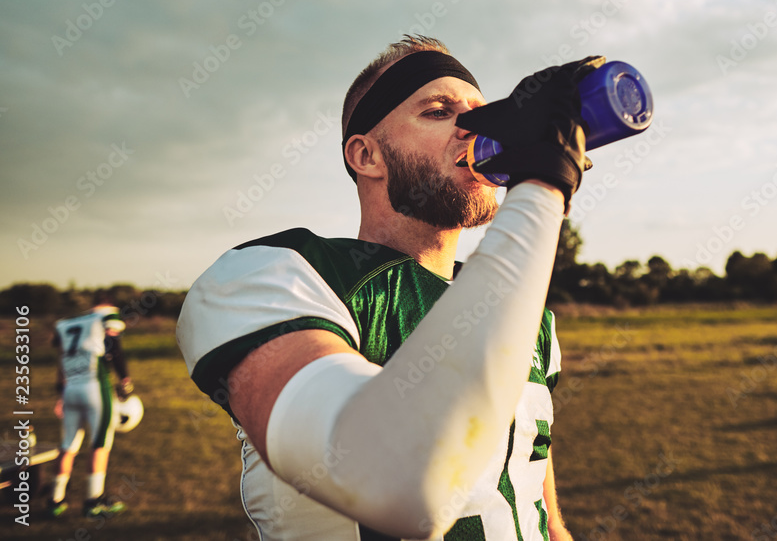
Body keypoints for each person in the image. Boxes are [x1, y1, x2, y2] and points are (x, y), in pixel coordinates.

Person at [177, 35, 596, 539]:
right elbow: (401, 479)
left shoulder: (528, 314)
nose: (473, 128)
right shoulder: (279, 274)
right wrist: (543, 182)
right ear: (367, 155)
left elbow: (532, 489)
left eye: (482, 112)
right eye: (439, 111)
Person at [48, 297, 133, 518]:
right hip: (95, 386)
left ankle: (55, 500)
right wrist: (125, 379)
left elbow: (61, 356)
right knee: (100, 443)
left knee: (68, 445)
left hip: (70, 389)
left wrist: (61, 393)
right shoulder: (105, 318)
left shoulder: (65, 324)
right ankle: (93, 501)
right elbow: (115, 347)